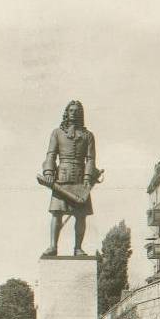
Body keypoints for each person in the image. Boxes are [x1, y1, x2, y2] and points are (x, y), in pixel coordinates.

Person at [39, 100, 97, 256]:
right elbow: (51, 154)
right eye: (71, 110)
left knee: (81, 216)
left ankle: (78, 248)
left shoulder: (88, 136)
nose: (74, 113)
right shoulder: (57, 133)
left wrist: (87, 177)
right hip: (61, 178)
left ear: (81, 114)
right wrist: (49, 172)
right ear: (66, 112)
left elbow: (90, 159)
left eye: (77, 110)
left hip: (80, 179)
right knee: (56, 213)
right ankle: (53, 246)